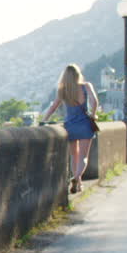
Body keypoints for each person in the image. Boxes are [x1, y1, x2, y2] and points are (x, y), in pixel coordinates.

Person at [41, 64, 99, 194]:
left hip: (70, 126)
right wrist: (94, 114)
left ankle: (78, 183)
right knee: (83, 157)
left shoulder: (63, 90)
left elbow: (53, 107)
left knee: (74, 156)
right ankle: (77, 178)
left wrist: (44, 120)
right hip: (85, 124)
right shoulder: (86, 86)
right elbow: (94, 101)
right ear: (78, 74)